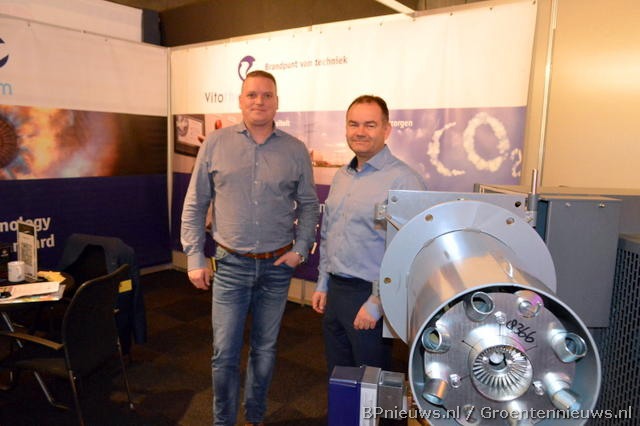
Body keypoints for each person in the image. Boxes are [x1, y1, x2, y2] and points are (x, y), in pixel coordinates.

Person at [181, 70, 320, 426]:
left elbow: (309, 205)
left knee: (265, 350)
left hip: (277, 268)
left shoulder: (295, 150)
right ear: (240, 101)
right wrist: (194, 256)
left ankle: (255, 416)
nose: (260, 101)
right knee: (224, 354)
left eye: (267, 95)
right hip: (230, 265)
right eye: (252, 95)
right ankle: (223, 421)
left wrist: (301, 249)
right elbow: (195, 203)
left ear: (277, 102)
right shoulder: (215, 144)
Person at [312, 95, 427, 375]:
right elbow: (329, 233)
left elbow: (413, 251)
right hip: (336, 292)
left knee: (370, 384)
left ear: (386, 130)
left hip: (370, 297)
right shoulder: (342, 175)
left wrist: (378, 303)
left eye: (370, 125)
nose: (360, 131)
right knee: (339, 377)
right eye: (353, 124)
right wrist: (323, 282)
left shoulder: (404, 181)